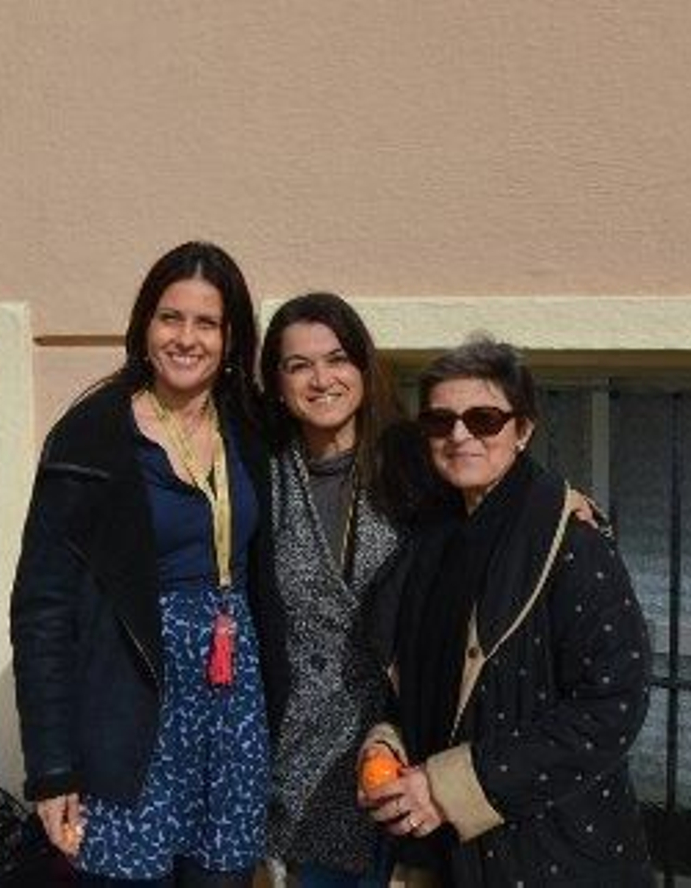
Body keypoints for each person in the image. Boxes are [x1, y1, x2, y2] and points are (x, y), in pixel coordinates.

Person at [10, 241, 271, 887]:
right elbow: (42, 607)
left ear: (230, 337)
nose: (186, 338)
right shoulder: (92, 437)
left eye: (206, 322)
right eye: (170, 317)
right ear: (144, 326)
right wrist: (52, 769)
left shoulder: (251, 426)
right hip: (128, 716)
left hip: (231, 719)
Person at [363, 337, 653, 886]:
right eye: (440, 421)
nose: (460, 435)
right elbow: (416, 682)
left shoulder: (573, 545)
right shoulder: (428, 544)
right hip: (444, 856)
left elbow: (611, 706)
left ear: (522, 430)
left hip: (549, 853)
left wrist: (448, 788)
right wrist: (386, 743)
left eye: (484, 419)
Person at [255, 293, 408, 888]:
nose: (322, 380)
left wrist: (560, 502)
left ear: (363, 367)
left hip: (397, 747)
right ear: (278, 383)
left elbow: (496, 492)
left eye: (337, 359)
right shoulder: (260, 476)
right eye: (299, 366)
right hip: (295, 760)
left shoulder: (415, 466)